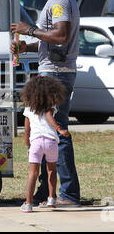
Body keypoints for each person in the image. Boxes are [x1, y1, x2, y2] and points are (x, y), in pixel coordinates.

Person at [10, 0, 81, 206]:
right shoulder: (54, 0)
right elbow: (48, 40)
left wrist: (29, 30)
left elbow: (61, 36)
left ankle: (68, 194)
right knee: (47, 133)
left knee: (56, 133)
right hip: (53, 72)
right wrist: (26, 46)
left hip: (57, 75)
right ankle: (47, 193)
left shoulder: (60, 0)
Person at [20, 75, 70, 213]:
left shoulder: (29, 108)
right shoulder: (51, 105)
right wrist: (59, 129)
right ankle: (51, 200)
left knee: (33, 174)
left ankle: (28, 204)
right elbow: (48, 115)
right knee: (52, 171)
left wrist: (28, 146)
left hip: (35, 142)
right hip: (51, 141)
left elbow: (26, 130)